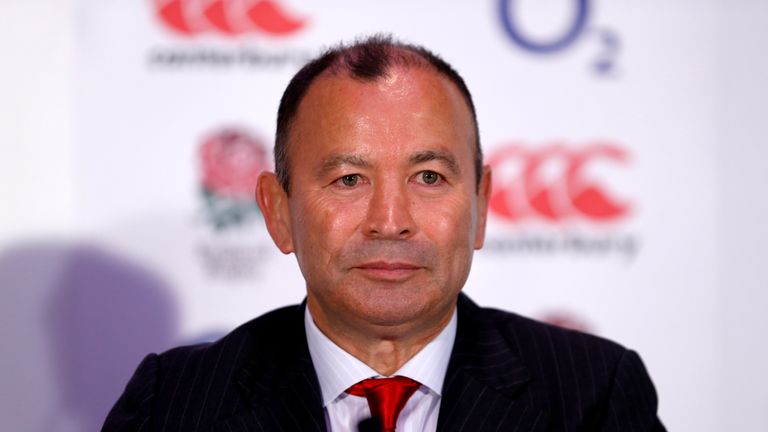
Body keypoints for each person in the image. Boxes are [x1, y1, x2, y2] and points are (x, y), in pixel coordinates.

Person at [103, 35, 665, 432]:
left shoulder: (592, 394)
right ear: (278, 212)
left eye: (429, 177)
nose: (390, 219)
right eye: (349, 179)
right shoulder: (173, 404)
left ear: (482, 206)